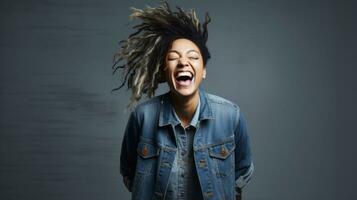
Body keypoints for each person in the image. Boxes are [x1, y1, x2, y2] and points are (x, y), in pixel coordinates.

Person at [113, 2, 253, 200]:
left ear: (203, 70)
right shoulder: (143, 116)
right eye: (173, 57)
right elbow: (129, 173)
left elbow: (243, 171)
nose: (183, 62)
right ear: (163, 70)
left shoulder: (230, 115)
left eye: (193, 57)